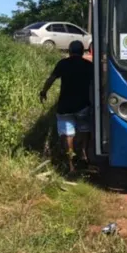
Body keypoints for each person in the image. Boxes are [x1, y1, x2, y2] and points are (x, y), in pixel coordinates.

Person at [40, 40, 94, 173]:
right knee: (84, 130)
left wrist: (43, 92)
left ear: (69, 51)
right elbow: (96, 84)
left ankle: (71, 165)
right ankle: (83, 155)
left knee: (67, 134)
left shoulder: (63, 64)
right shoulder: (89, 65)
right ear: (82, 52)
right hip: (83, 105)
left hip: (65, 106)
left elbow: (51, 79)